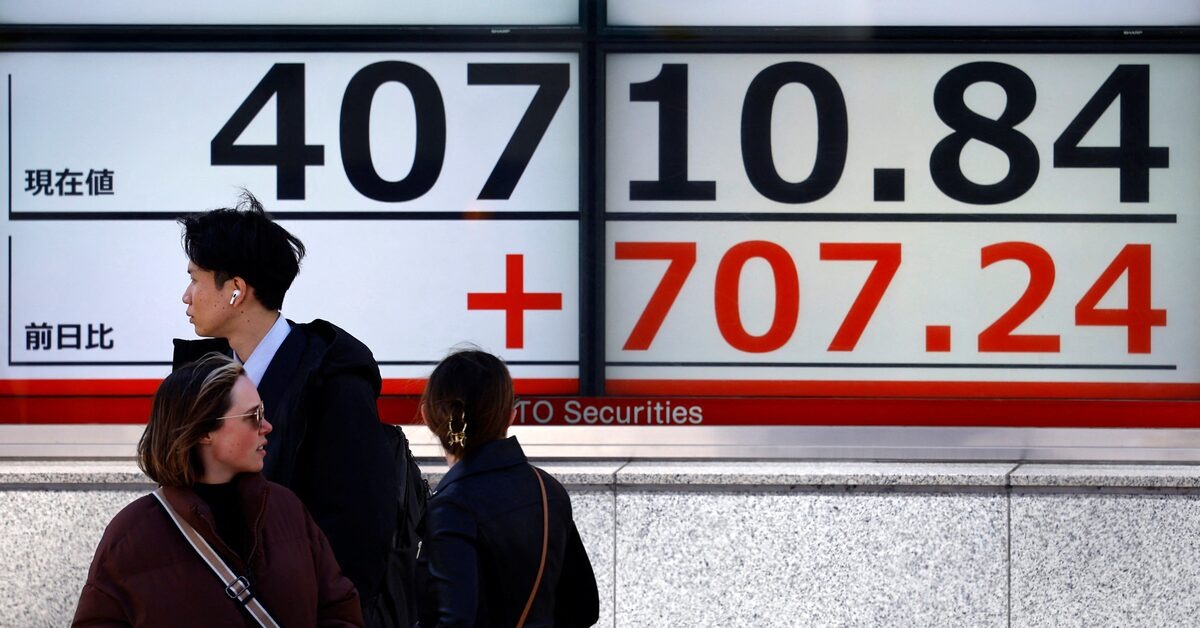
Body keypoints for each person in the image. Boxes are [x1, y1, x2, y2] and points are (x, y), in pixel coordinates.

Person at [172, 191, 403, 625]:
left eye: (195, 280)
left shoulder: (332, 382)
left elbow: (360, 530)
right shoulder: (202, 382)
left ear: (236, 291)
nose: (186, 296)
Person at [73, 353, 363, 626]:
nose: (267, 426)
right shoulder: (131, 535)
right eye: (253, 415)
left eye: (263, 412)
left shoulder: (286, 509)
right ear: (204, 431)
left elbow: (339, 608)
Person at [416, 349, 599, 627]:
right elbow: (583, 608)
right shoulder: (548, 490)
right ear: (510, 415)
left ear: (427, 416)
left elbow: (454, 620)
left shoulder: (452, 506)